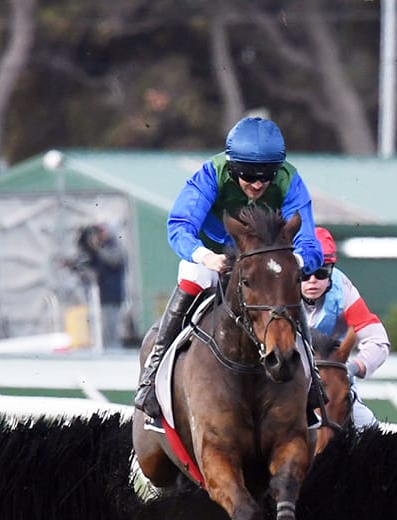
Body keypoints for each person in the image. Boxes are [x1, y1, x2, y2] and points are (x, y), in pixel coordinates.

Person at [134, 115, 324, 420]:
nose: (258, 184)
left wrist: (294, 263)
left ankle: (312, 378)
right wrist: (206, 256)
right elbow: (180, 225)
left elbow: (309, 243)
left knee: (286, 285)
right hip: (216, 254)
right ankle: (151, 375)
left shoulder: (290, 180)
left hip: (263, 260)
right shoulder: (211, 174)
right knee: (194, 274)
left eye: (267, 176)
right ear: (233, 167)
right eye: (249, 175)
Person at [303, 227, 390, 428]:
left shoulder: (343, 291)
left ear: (331, 271)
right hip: (285, 387)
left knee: (367, 426)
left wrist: (354, 367)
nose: (313, 281)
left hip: (333, 383)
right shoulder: (274, 292)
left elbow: (378, 340)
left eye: (321, 272)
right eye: (305, 273)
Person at [75, 222, 127, 349]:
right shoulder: (97, 251)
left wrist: (97, 248)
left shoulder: (114, 246)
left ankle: (113, 352)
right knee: (99, 331)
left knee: (110, 331)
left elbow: (114, 260)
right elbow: (89, 268)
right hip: (99, 297)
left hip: (112, 296)